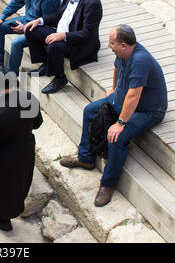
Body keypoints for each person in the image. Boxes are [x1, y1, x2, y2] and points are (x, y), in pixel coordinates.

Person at [60, 25, 168, 207]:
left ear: (124, 45)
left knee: (116, 137)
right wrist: (115, 88)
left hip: (147, 110)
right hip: (123, 98)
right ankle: (86, 158)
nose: (109, 45)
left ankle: (107, 184)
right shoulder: (122, 54)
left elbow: (134, 96)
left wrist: (120, 123)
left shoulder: (139, 60)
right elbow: (116, 68)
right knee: (89, 111)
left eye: (112, 43)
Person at [0, 68, 43, 231]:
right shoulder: (28, 98)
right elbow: (37, 123)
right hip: (24, 151)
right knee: (17, 185)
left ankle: (2, 220)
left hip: (1, 157)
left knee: (0, 189)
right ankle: (7, 215)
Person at [24, 0, 103, 94]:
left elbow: (87, 34)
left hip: (77, 42)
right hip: (61, 33)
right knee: (30, 28)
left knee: (54, 46)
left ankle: (60, 78)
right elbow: (59, 15)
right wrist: (40, 21)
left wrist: (63, 35)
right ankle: (46, 63)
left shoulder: (92, 4)